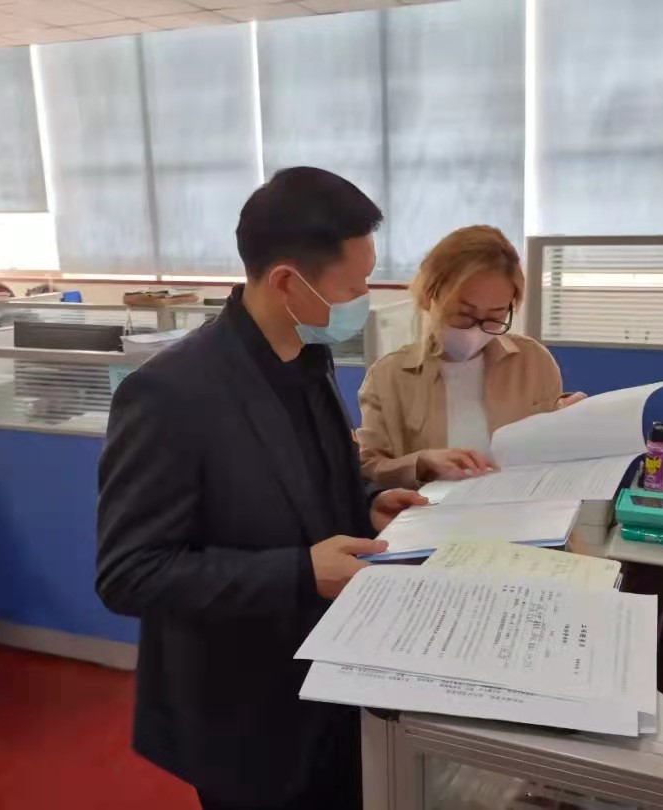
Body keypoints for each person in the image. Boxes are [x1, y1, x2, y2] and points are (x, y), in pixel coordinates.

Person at [95, 167, 425, 810]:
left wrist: (365, 503)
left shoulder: (308, 358)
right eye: (354, 286)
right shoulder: (169, 394)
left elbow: (300, 485)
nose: (363, 298)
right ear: (286, 283)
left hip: (330, 687)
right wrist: (300, 573)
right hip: (248, 720)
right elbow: (129, 573)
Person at [357, 225, 586, 489]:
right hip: (431, 512)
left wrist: (573, 421)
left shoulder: (533, 362)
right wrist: (421, 462)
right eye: (464, 314)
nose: (476, 330)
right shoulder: (388, 377)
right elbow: (368, 468)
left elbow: (551, 451)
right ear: (430, 296)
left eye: (495, 317)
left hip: (520, 506)